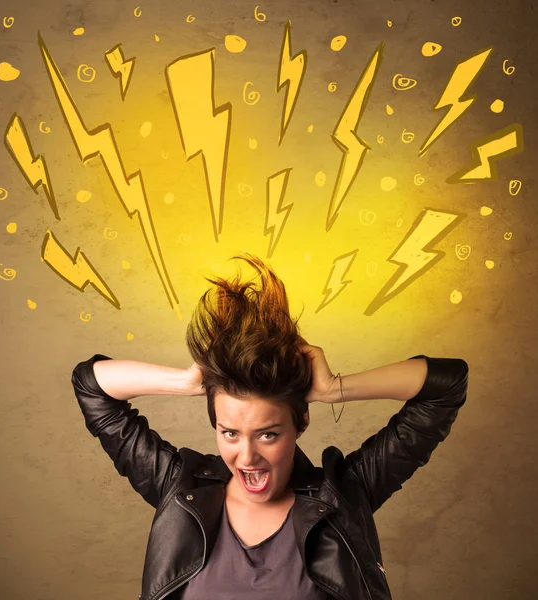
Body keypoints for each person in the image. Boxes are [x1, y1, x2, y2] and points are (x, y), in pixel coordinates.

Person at [71, 254, 469, 600]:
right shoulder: (178, 491)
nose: (247, 457)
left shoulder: (345, 496)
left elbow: (445, 386)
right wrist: (188, 381)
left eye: (268, 434)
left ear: (301, 421)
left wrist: (333, 389)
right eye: (230, 433)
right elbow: (92, 386)